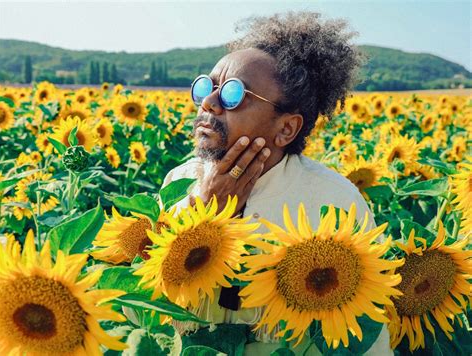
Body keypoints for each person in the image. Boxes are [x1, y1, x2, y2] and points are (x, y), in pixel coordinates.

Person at [162, 11, 391, 355]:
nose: (208, 103)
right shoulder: (179, 183)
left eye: (233, 94)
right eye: (206, 87)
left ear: (286, 128)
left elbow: (368, 339)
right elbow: (143, 309)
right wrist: (203, 211)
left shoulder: (333, 201)